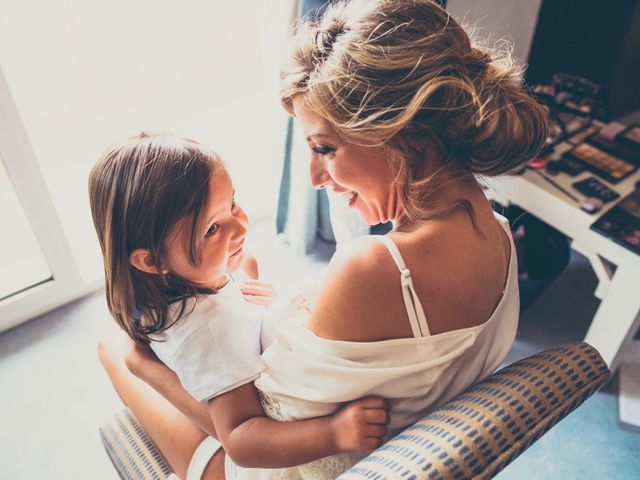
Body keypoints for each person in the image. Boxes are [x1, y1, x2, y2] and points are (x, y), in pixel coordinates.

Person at [98, 0, 549, 478]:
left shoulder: (373, 268)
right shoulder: (497, 232)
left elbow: (255, 430)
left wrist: (152, 371)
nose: (314, 176)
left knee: (115, 350)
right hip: (402, 435)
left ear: (403, 136)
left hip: (278, 469)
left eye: (324, 148)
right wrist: (286, 312)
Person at [89, 132, 391, 479]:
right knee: (115, 352)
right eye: (212, 228)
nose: (240, 225)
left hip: (217, 394)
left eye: (232, 203)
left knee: (114, 347)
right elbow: (240, 438)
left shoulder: (174, 284)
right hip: (236, 467)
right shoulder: (211, 328)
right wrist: (334, 432)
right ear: (152, 259)